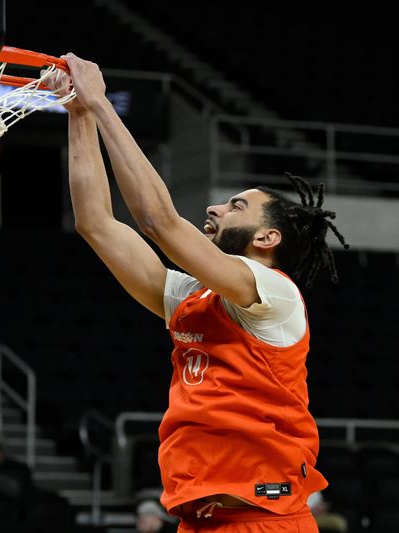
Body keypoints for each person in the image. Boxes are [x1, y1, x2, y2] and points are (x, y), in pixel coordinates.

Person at [48, 54, 349, 532]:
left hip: (263, 519)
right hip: (200, 519)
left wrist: (102, 104)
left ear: (266, 239)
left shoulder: (273, 292)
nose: (214, 207)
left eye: (236, 206)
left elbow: (158, 222)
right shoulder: (190, 296)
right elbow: (97, 224)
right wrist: (78, 113)